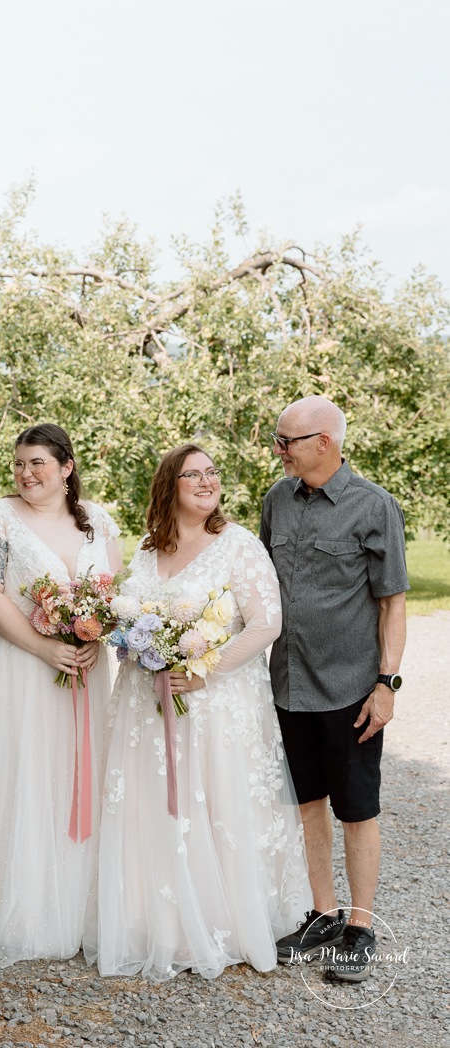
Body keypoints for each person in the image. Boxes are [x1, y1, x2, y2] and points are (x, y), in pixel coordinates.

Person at [87, 444, 311, 981]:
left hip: (215, 703)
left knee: (212, 802)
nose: (207, 482)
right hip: (147, 702)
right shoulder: (147, 548)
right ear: (170, 484)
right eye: (194, 474)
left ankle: (220, 922)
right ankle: (155, 922)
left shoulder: (238, 545)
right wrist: (140, 649)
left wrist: (205, 669)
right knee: (152, 803)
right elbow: (131, 615)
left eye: (213, 473)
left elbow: (266, 624)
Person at [0, 422, 123, 965]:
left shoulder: (99, 520)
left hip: (84, 669)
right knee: (18, 772)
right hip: (16, 665)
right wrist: (44, 648)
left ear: (66, 468)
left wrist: (95, 634)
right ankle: (6, 910)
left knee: (72, 774)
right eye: (19, 463)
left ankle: (73, 906)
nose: (25, 473)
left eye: (37, 462)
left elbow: (114, 592)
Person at [260, 395, 409, 982]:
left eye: (286, 441)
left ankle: (361, 926)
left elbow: (392, 602)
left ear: (323, 441)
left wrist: (386, 683)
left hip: (350, 687)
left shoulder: (375, 507)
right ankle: (324, 913)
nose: (278, 451)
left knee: (357, 808)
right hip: (287, 683)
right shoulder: (276, 500)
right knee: (306, 803)